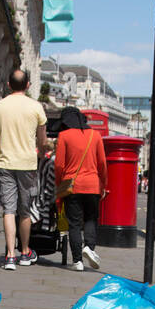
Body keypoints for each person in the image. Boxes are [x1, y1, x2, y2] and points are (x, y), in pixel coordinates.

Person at [0, 69, 47, 269]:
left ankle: (9, 255)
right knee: (24, 211)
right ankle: (25, 251)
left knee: (8, 210)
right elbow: (42, 140)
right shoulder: (36, 107)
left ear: (8, 84)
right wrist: (41, 152)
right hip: (27, 163)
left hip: (5, 162)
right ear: (28, 85)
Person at [54, 106, 108, 272]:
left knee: (74, 224)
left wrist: (59, 185)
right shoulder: (95, 135)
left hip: (72, 186)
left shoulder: (64, 136)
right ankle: (89, 248)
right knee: (91, 219)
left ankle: (77, 261)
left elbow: (59, 165)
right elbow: (102, 164)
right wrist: (104, 184)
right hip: (93, 185)